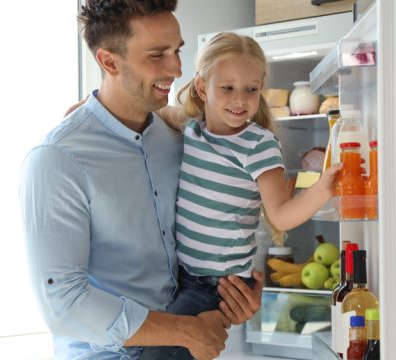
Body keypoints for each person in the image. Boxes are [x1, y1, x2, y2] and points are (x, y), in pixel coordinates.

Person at [19, 1, 262, 359]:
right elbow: (64, 302)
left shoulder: (179, 141)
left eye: (177, 50)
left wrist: (232, 294)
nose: (176, 68)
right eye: (157, 55)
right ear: (109, 62)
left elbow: (195, 247)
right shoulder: (58, 159)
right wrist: (186, 330)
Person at [138, 32, 341, 360]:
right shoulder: (191, 128)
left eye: (251, 89)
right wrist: (88, 110)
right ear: (203, 88)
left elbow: (280, 214)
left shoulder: (258, 145)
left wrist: (321, 189)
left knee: (159, 354)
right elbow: (150, 114)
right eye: (227, 87)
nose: (240, 99)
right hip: (183, 271)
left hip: (219, 284)